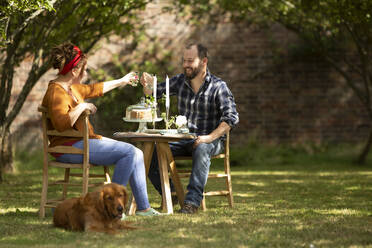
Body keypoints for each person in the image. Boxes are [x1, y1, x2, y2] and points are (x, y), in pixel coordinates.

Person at [42, 42, 161, 216]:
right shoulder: (56, 92)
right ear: (75, 70)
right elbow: (61, 124)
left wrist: (123, 80)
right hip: (68, 147)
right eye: (85, 69)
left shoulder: (72, 88)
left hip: (83, 142)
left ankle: (144, 208)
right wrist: (82, 107)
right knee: (128, 152)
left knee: (137, 153)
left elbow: (95, 88)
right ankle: (110, 209)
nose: (86, 73)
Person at [140, 42, 239, 214]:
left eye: (190, 61)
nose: (186, 65)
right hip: (183, 139)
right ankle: (171, 193)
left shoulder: (218, 87)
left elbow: (230, 119)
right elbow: (153, 92)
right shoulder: (179, 81)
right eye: (184, 60)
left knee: (201, 148)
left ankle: (191, 203)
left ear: (204, 61)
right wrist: (147, 83)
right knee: (148, 153)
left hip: (210, 141)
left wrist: (208, 138)